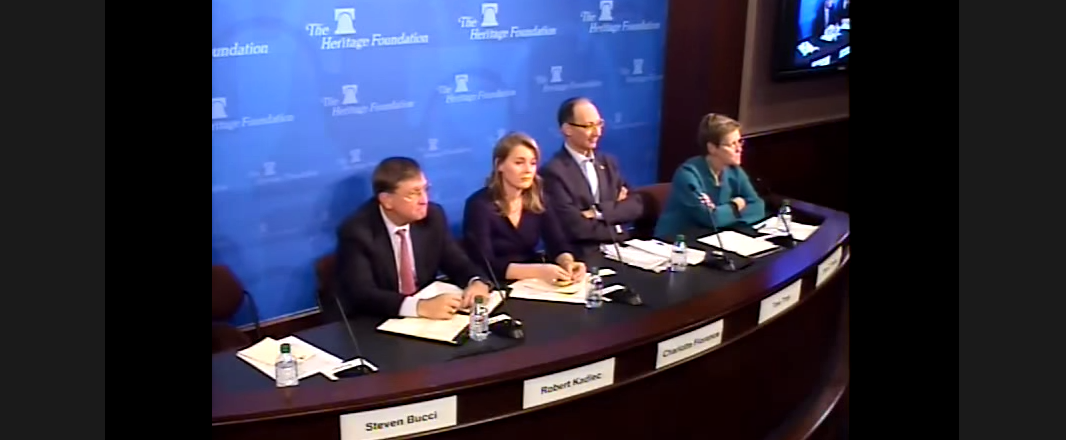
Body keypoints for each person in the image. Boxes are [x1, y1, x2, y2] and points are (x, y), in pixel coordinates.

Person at [335, 157, 492, 320]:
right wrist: (419, 307)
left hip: (424, 319)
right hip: (376, 319)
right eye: (413, 193)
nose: (424, 200)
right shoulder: (357, 231)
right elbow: (362, 293)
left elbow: (456, 262)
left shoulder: (433, 217)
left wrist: (476, 281)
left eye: (425, 190)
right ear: (387, 200)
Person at [463, 132, 587, 285]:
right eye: (519, 163)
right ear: (499, 165)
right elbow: (484, 263)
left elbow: (558, 243)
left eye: (533, 163)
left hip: (534, 283)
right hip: (497, 285)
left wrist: (567, 262)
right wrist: (538, 271)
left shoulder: (540, 200)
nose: (528, 170)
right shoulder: (479, 205)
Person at [541, 97, 645, 251]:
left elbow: (636, 205)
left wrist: (598, 212)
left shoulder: (608, 162)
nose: (597, 132)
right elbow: (575, 227)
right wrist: (616, 226)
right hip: (582, 255)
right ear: (567, 129)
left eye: (599, 124)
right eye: (588, 126)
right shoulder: (553, 172)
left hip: (620, 249)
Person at [654, 113, 766, 238]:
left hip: (714, 237)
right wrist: (735, 206)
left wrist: (727, 219)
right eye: (732, 144)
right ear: (712, 148)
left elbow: (758, 206)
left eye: (740, 142)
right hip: (677, 241)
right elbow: (710, 219)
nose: (739, 149)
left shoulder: (734, 171)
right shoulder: (688, 175)